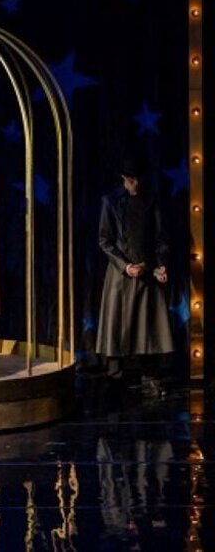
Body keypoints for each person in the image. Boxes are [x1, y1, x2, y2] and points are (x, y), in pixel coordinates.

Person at [95, 153, 173, 392]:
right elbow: (105, 240)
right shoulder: (111, 201)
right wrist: (125, 266)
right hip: (120, 275)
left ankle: (149, 375)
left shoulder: (151, 200)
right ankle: (114, 377)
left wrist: (160, 264)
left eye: (138, 179)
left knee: (148, 326)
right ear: (123, 178)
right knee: (116, 323)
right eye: (131, 180)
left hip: (147, 272)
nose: (135, 184)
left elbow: (160, 238)